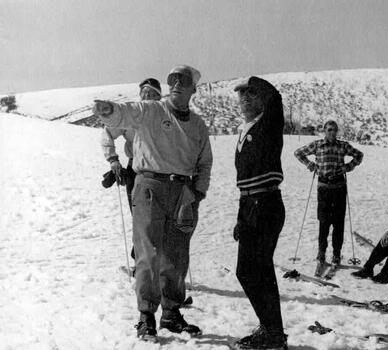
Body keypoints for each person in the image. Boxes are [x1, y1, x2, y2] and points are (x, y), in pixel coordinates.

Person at [93, 65, 213, 341]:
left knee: (177, 254)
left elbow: (205, 163)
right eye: (172, 80)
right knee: (147, 252)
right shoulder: (153, 110)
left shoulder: (197, 125)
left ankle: (171, 313)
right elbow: (128, 111)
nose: (176, 84)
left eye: (183, 81)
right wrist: (110, 110)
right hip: (149, 187)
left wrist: (197, 194)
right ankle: (146, 315)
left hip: (183, 191)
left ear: (193, 88)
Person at [232, 77, 287, 350]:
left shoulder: (269, 124)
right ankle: (270, 329)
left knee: (260, 270)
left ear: (261, 99)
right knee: (246, 271)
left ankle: (273, 333)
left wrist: (252, 80)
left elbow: (275, 98)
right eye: (241, 95)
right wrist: (240, 218)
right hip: (250, 206)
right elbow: (244, 182)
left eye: (251, 94)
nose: (245, 98)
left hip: (267, 204)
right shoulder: (244, 130)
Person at [100, 78, 162, 271]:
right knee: (140, 219)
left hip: (162, 172)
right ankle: (141, 266)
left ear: (159, 97)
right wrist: (113, 160)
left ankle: (164, 269)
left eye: (152, 94)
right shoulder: (131, 117)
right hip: (135, 171)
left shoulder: (166, 117)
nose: (148, 97)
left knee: (162, 221)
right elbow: (107, 133)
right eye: (145, 93)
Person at [294, 120, 363, 268]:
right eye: (329, 130)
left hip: (339, 187)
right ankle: (321, 253)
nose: (332, 132)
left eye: (334, 130)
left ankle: (336, 255)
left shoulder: (343, 146)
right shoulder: (317, 145)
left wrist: (348, 167)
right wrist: (310, 164)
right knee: (323, 222)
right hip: (324, 188)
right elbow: (298, 153)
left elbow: (359, 155)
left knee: (338, 223)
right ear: (324, 131)